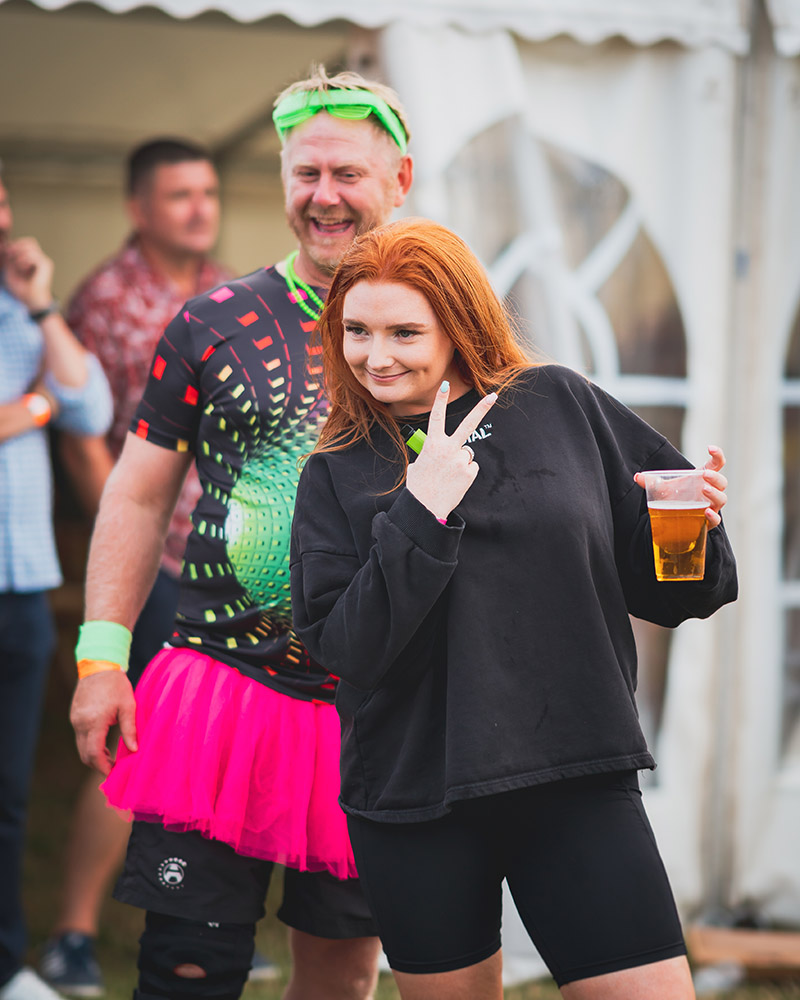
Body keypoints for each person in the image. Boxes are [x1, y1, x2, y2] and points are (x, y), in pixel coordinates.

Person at [289, 217, 739, 1000]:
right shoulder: (335, 469)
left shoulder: (559, 403)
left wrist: (693, 529)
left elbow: (673, 593)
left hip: (574, 769)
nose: (376, 355)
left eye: (404, 332)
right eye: (357, 331)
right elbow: (348, 649)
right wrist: (421, 511)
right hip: (416, 793)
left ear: (459, 325)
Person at [68, 67, 413, 1000]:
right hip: (219, 694)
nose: (324, 196)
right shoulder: (212, 322)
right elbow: (137, 497)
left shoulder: (442, 330)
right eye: (306, 174)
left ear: (400, 179)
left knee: (341, 977)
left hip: (372, 710)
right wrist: (102, 660)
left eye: (347, 173)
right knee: (187, 968)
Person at [38, 137, 251, 998]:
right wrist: (134, 554)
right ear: (137, 208)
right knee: (135, 744)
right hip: (157, 559)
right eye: (179, 195)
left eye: (208, 193)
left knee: (222, 740)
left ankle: (212, 921)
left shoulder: (227, 289)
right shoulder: (107, 300)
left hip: (230, 560)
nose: (200, 209)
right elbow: (85, 440)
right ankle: (74, 934)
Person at [0, 168, 112, 1000]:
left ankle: (6, 963)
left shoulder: (17, 313)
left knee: (8, 794)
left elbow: (88, 405)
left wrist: (40, 304)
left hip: (23, 582)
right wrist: (32, 409)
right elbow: (51, 409)